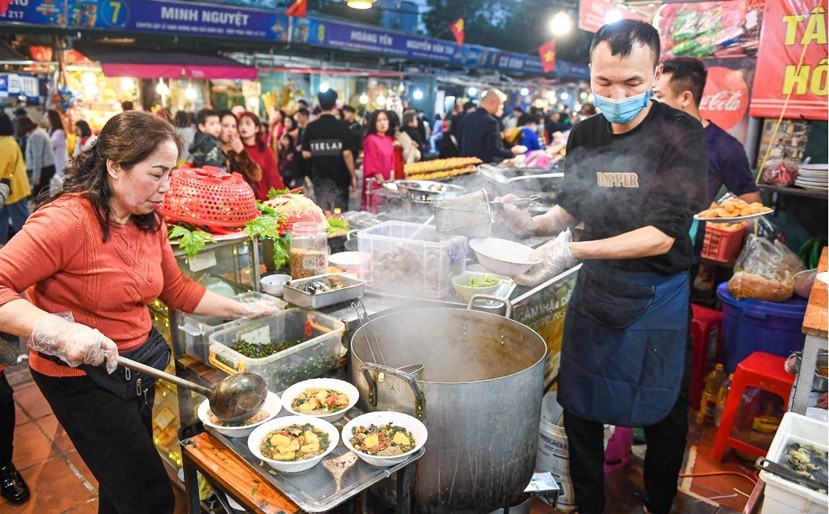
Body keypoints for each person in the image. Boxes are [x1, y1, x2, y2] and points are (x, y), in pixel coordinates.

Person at [0, 111, 281, 514]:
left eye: (171, 174)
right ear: (115, 166)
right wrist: (55, 330)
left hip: (137, 367)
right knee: (148, 496)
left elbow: (175, 288)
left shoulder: (149, 219)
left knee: (121, 486)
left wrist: (242, 308)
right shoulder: (67, 220)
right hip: (82, 379)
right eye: (157, 174)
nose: (166, 187)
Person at [496, 20, 708, 514]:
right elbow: (572, 209)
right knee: (580, 406)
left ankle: (658, 502)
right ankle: (589, 504)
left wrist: (574, 252)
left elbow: (663, 234)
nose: (617, 94)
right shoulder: (585, 133)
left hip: (658, 295)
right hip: (597, 289)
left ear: (656, 75)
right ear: (589, 73)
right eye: (604, 82)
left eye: (633, 83)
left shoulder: (680, 133)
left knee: (663, 411)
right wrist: (531, 225)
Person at [652, 57, 761, 205]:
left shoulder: (725, 148)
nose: (651, 103)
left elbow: (751, 201)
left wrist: (720, 215)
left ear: (685, 98)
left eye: (658, 96)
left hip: (686, 227)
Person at [301, 90, 357, 211]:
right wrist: (353, 176)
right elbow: (347, 154)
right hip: (340, 178)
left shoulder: (311, 127)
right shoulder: (342, 126)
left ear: (320, 105)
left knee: (323, 213)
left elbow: (305, 153)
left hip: (320, 178)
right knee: (340, 214)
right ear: (335, 105)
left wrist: (319, 152)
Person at [457, 89, 524, 163]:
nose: (500, 107)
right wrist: (511, 152)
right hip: (483, 166)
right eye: (500, 104)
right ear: (492, 102)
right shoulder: (491, 121)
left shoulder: (466, 118)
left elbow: (459, 143)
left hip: (465, 164)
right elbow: (494, 149)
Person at [237, 111, 284, 200]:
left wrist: (278, 198)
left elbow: (273, 177)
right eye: (240, 124)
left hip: (264, 198)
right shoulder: (235, 149)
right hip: (242, 199)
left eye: (248, 124)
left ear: (257, 128)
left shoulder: (265, 150)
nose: (243, 127)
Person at [0, 112, 31, 245]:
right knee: (2, 219)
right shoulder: (7, 140)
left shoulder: (5, 144)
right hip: (11, 187)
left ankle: (30, 246)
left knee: (21, 220)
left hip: (13, 189)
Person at [217, 110, 262, 192]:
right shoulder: (213, 149)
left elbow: (256, 176)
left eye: (233, 126)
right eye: (226, 126)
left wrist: (241, 152)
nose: (230, 130)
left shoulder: (236, 150)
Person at [361, 110, 396, 211]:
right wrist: (384, 184)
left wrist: (390, 183)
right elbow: (372, 164)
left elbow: (392, 162)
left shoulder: (389, 139)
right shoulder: (370, 139)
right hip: (375, 185)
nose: (382, 123)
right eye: (378, 120)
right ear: (373, 123)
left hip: (387, 184)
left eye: (385, 119)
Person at [16, 115, 56, 199]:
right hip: (46, 168)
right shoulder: (38, 131)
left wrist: (36, 176)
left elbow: (37, 157)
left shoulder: (36, 135)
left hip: (43, 170)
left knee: (40, 197)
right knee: (43, 196)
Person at [277, 115, 301, 189]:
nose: (286, 123)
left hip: (294, 162)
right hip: (284, 166)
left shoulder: (296, 131)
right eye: (285, 121)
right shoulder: (285, 131)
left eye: (288, 121)